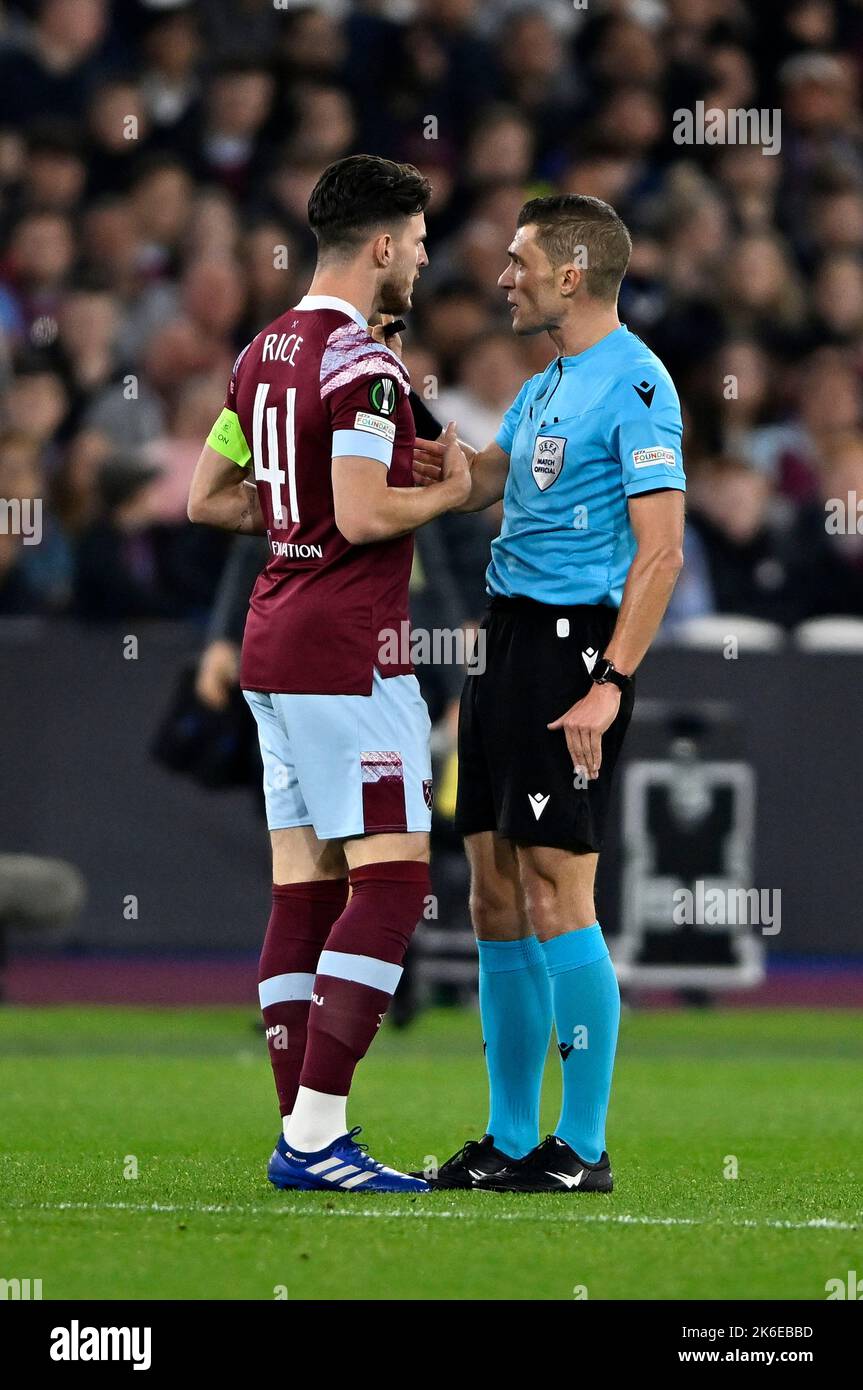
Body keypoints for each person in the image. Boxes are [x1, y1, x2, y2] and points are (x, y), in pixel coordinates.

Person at [187, 154, 471, 1193]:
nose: (427, 258)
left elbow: (208, 497)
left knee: (303, 892)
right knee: (393, 887)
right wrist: (456, 491)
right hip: (348, 652)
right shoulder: (364, 366)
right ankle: (314, 1133)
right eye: (422, 241)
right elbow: (360, 514)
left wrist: (295, 522)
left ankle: (302, 1135)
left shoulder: (261, 353)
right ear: (385, 245)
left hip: (274, 643)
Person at [412, 194, 686, 1193]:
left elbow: (660, 553)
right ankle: (511, 1135)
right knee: (491, 891)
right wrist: (414, 457)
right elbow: (487, 481)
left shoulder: (637, 385)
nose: (502, 277)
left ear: (570, 275)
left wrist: (609, 683)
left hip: (571, 651)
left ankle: (582, 1145)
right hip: (501, 640)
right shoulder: (544, 384)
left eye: (519, 261)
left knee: (555, 890)